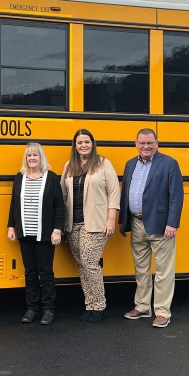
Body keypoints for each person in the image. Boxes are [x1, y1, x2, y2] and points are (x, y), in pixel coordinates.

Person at [119, 128, 184, 328]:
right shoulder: (130, 164)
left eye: (150, 143)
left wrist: (172, 223)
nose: (146, 147)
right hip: (137, 222)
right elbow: (126, 193)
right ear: (135, 144)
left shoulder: (169, 164)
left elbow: (176, 196)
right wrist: (124, 221)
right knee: (141, 269)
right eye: (142, 143)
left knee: (164, 271)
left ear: (157, 143)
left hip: (161, 225)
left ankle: (163, 311)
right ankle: (142, 306)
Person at [60, 129, 120, 323]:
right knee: (82, 265)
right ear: (75, 146)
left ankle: (99, 305)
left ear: (93, 144)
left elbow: (113, 192)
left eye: (87, 141)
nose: (83, 145)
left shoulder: (103, 164)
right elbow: (63, 195)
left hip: (95, 223)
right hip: (73, 224)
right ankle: (90, 304)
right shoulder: (70, 166)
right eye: (79, 143)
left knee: (90, 263)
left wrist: (111, 219)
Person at [7, 143, 65, 326]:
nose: (32, 158)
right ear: (26, 159)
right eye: (29, 156)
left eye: (35, 155)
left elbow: (59, 206)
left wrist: (57, 230)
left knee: (45, 272)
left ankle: (48, 309)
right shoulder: (19, 178)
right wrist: (11, 227)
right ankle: (32, 308)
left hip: (45, 234)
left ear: (41, 158)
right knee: (30, 273)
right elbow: (13, 204)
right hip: (25, 233)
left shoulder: (52, 178)